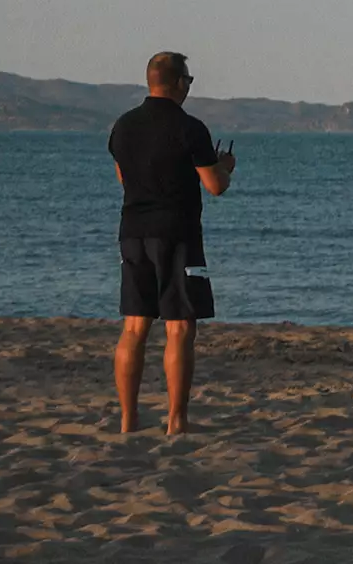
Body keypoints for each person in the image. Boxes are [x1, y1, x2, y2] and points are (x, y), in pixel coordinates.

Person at [107, 52, 236, 433]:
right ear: (178, 82)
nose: (189, 87)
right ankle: (176, 421)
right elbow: (214, 186)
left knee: (134, 327)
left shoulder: (123, 126)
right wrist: (224, 167)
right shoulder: (190, 128)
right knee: (179, 328)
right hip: (177, 234)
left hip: (132, 232)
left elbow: (122, 178)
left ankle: (128, 419)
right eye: (189, 80)